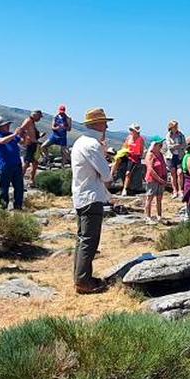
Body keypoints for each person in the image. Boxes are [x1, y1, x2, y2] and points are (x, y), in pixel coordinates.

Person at [72, 108, 115, 294]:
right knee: (90, 240)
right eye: (104, 122)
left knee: (82, 239)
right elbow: (106, 175)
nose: (106, 126)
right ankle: (83, 281)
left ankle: (82, 276)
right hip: (91, 196)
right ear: (97, 124)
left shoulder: (81, 142)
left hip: (81, 195)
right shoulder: (92, 145)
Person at [0, 116, 24, 210]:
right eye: (6, 125)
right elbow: (2, 141)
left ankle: (18, 206)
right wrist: (14, 134)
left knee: (19, 187)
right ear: (1, 126)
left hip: (16, 165)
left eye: (8, 124)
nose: (8, 126)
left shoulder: (10, 134)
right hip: (5, 166)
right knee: (4, 188)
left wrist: (23, 135)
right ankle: (3, 206)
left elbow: (23, 143)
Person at [144, 136, 168, 220]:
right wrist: (159, 179)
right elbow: (150, 169)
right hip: (152, 180)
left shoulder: (160, 154)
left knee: (159, 198)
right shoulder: (150, 154)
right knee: (149, 197)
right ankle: (148, 216)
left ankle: (159, 215)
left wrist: (164, 178)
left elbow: (163, 166)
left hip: (161, 179)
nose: (161, 145)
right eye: (159, 144)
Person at [18, 110, 45, 185]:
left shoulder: (32, 122)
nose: (39, 119)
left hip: (33, 145)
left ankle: (31, 180)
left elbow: (31, 133)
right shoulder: (28, 121)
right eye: (39, 117)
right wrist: (23, 139)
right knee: (27, 163)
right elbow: (20, 129)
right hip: (29, 145)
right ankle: (18, 179)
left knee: (35, 163)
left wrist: (39, 136)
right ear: (35, 115)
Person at [120, 124, 146, 196]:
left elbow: (141, 151)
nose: (131, 131)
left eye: (132, 130)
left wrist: (135, 154)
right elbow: (124, 146)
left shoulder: (141, 139)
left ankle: (125, 189)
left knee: (128, 173)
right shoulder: (129, 137)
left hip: (134, 158)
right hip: (127, 155)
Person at [164, 121, 187, 199]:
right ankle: (174, 190)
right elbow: (169, 146)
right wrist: (177, 146)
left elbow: (184, 145)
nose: (176, 128)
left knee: (180, 172)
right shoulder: (168, 135)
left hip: (180, 156)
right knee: (173, 173)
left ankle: (181, 190)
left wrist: (176, 146)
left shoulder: (181, 135)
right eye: (175, 126)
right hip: (171, 157)